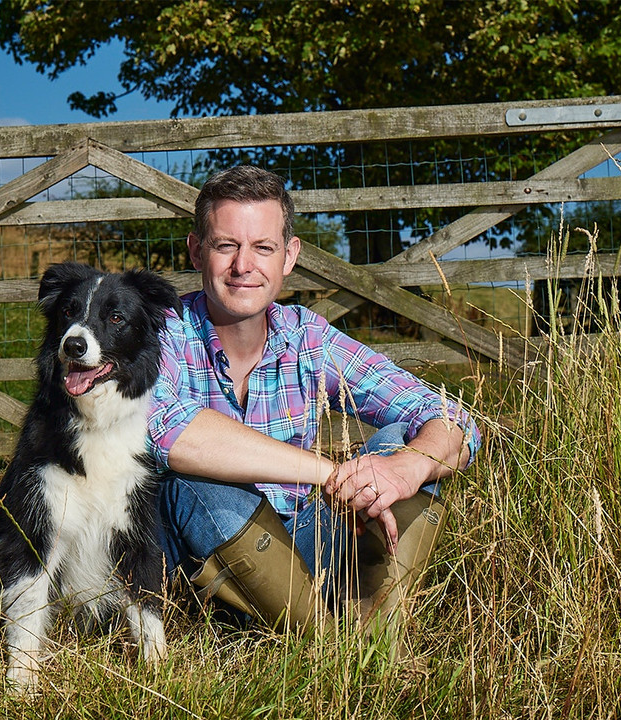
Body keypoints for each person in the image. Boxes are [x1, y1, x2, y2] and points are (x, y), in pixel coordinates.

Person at [147, 165, 481, 635]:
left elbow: (450, 419)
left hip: (310, 544)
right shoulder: (160, 330)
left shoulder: (307, 337)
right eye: (227, 246)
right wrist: (327, 472)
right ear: (197, 251)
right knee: (195, 486)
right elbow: (166, 430)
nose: (244, 266)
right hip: (201, 566)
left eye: (263, 247)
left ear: (289, 256)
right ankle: (322, 651)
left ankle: (373, 640)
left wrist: (403, 471)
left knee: (395, 445)